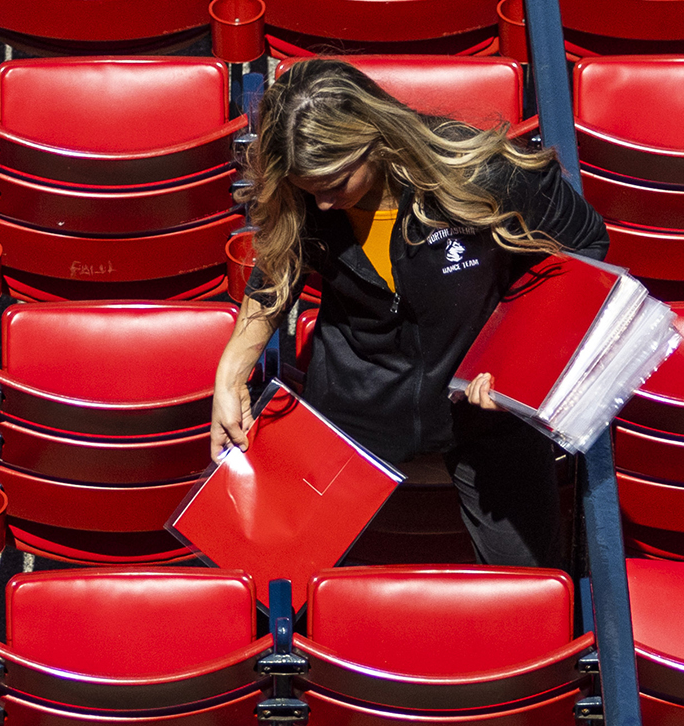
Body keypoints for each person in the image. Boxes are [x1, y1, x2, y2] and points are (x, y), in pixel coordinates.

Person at [211, 57, 608, 568]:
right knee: (261, 565)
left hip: (481, 402)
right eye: (311, 190)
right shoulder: (306, 196)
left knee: (533, 588)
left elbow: (585, 249)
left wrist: (522, 362)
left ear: (374, 139)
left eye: (335, 184)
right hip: (355, 400)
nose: (325, 204)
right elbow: (278, 269)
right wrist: (231, 372)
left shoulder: (479, 171)